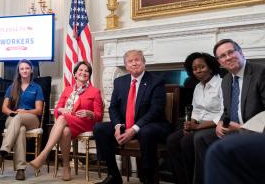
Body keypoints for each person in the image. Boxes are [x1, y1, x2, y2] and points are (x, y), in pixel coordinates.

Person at [193, 39, 265, 184]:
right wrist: (220, 122)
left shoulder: (261, 72)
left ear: (241, 52)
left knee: (219, 149)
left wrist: (241, 128)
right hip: (233, 129)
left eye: (231, 52)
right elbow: (225, 110)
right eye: (222, 56)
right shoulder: (226, 80)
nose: (228, 57)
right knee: (200, 138)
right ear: (219, 62)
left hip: (256, 132)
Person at [93, 50, 170, 184]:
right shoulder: (119, 82)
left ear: (144, 62)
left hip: (151, 124)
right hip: (126, 124)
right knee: (100, 128)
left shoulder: (156, 81)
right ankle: (113, 175)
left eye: (137, 60)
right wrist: (118, 126)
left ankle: (148, 177)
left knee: (146, 132)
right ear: (126, 65)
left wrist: (134, 129)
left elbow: (155, 110)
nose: (134, 63)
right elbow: (113, 107)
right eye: (130, 61)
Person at [29, 61, 103, 181]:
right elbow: (58, 108)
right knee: (65, 132)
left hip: (85, 123)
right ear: (75, 73)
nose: (83, 73)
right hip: (68, 121)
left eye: (87, 71)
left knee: (63, 118)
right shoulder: (67, 90)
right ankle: (66, 167)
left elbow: (99, 115)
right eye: (81, 70)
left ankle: (43, 155)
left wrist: (90, 113)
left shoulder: (95, 91)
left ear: (89, 75)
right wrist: (61, 109)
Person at [166, 52, 223, 184]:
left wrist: (197, 127)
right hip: (198, 125)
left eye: (201, 67)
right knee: (172, 140)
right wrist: (189, 124)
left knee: (187, 141)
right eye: (194, 69)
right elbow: (195, 110)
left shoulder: (222, 84)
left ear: (210, 66)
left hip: (214, 126)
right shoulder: (198, 86)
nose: (198, 71)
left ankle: (196, 180)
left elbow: (223, 113)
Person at [0, 59, 44, 181]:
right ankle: (21, 170)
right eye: (22, 68)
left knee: (19, 118)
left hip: (31, 119)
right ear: (19, 71)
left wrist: (23, 112)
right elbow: (4, 108)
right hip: (13, 118)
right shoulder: (12, 87)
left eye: (27, 68)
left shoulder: (36, 87)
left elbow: (39, 110)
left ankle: (3, 152)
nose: (25, 70)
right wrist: (14, 113)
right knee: (20, 130)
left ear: (31, 70)